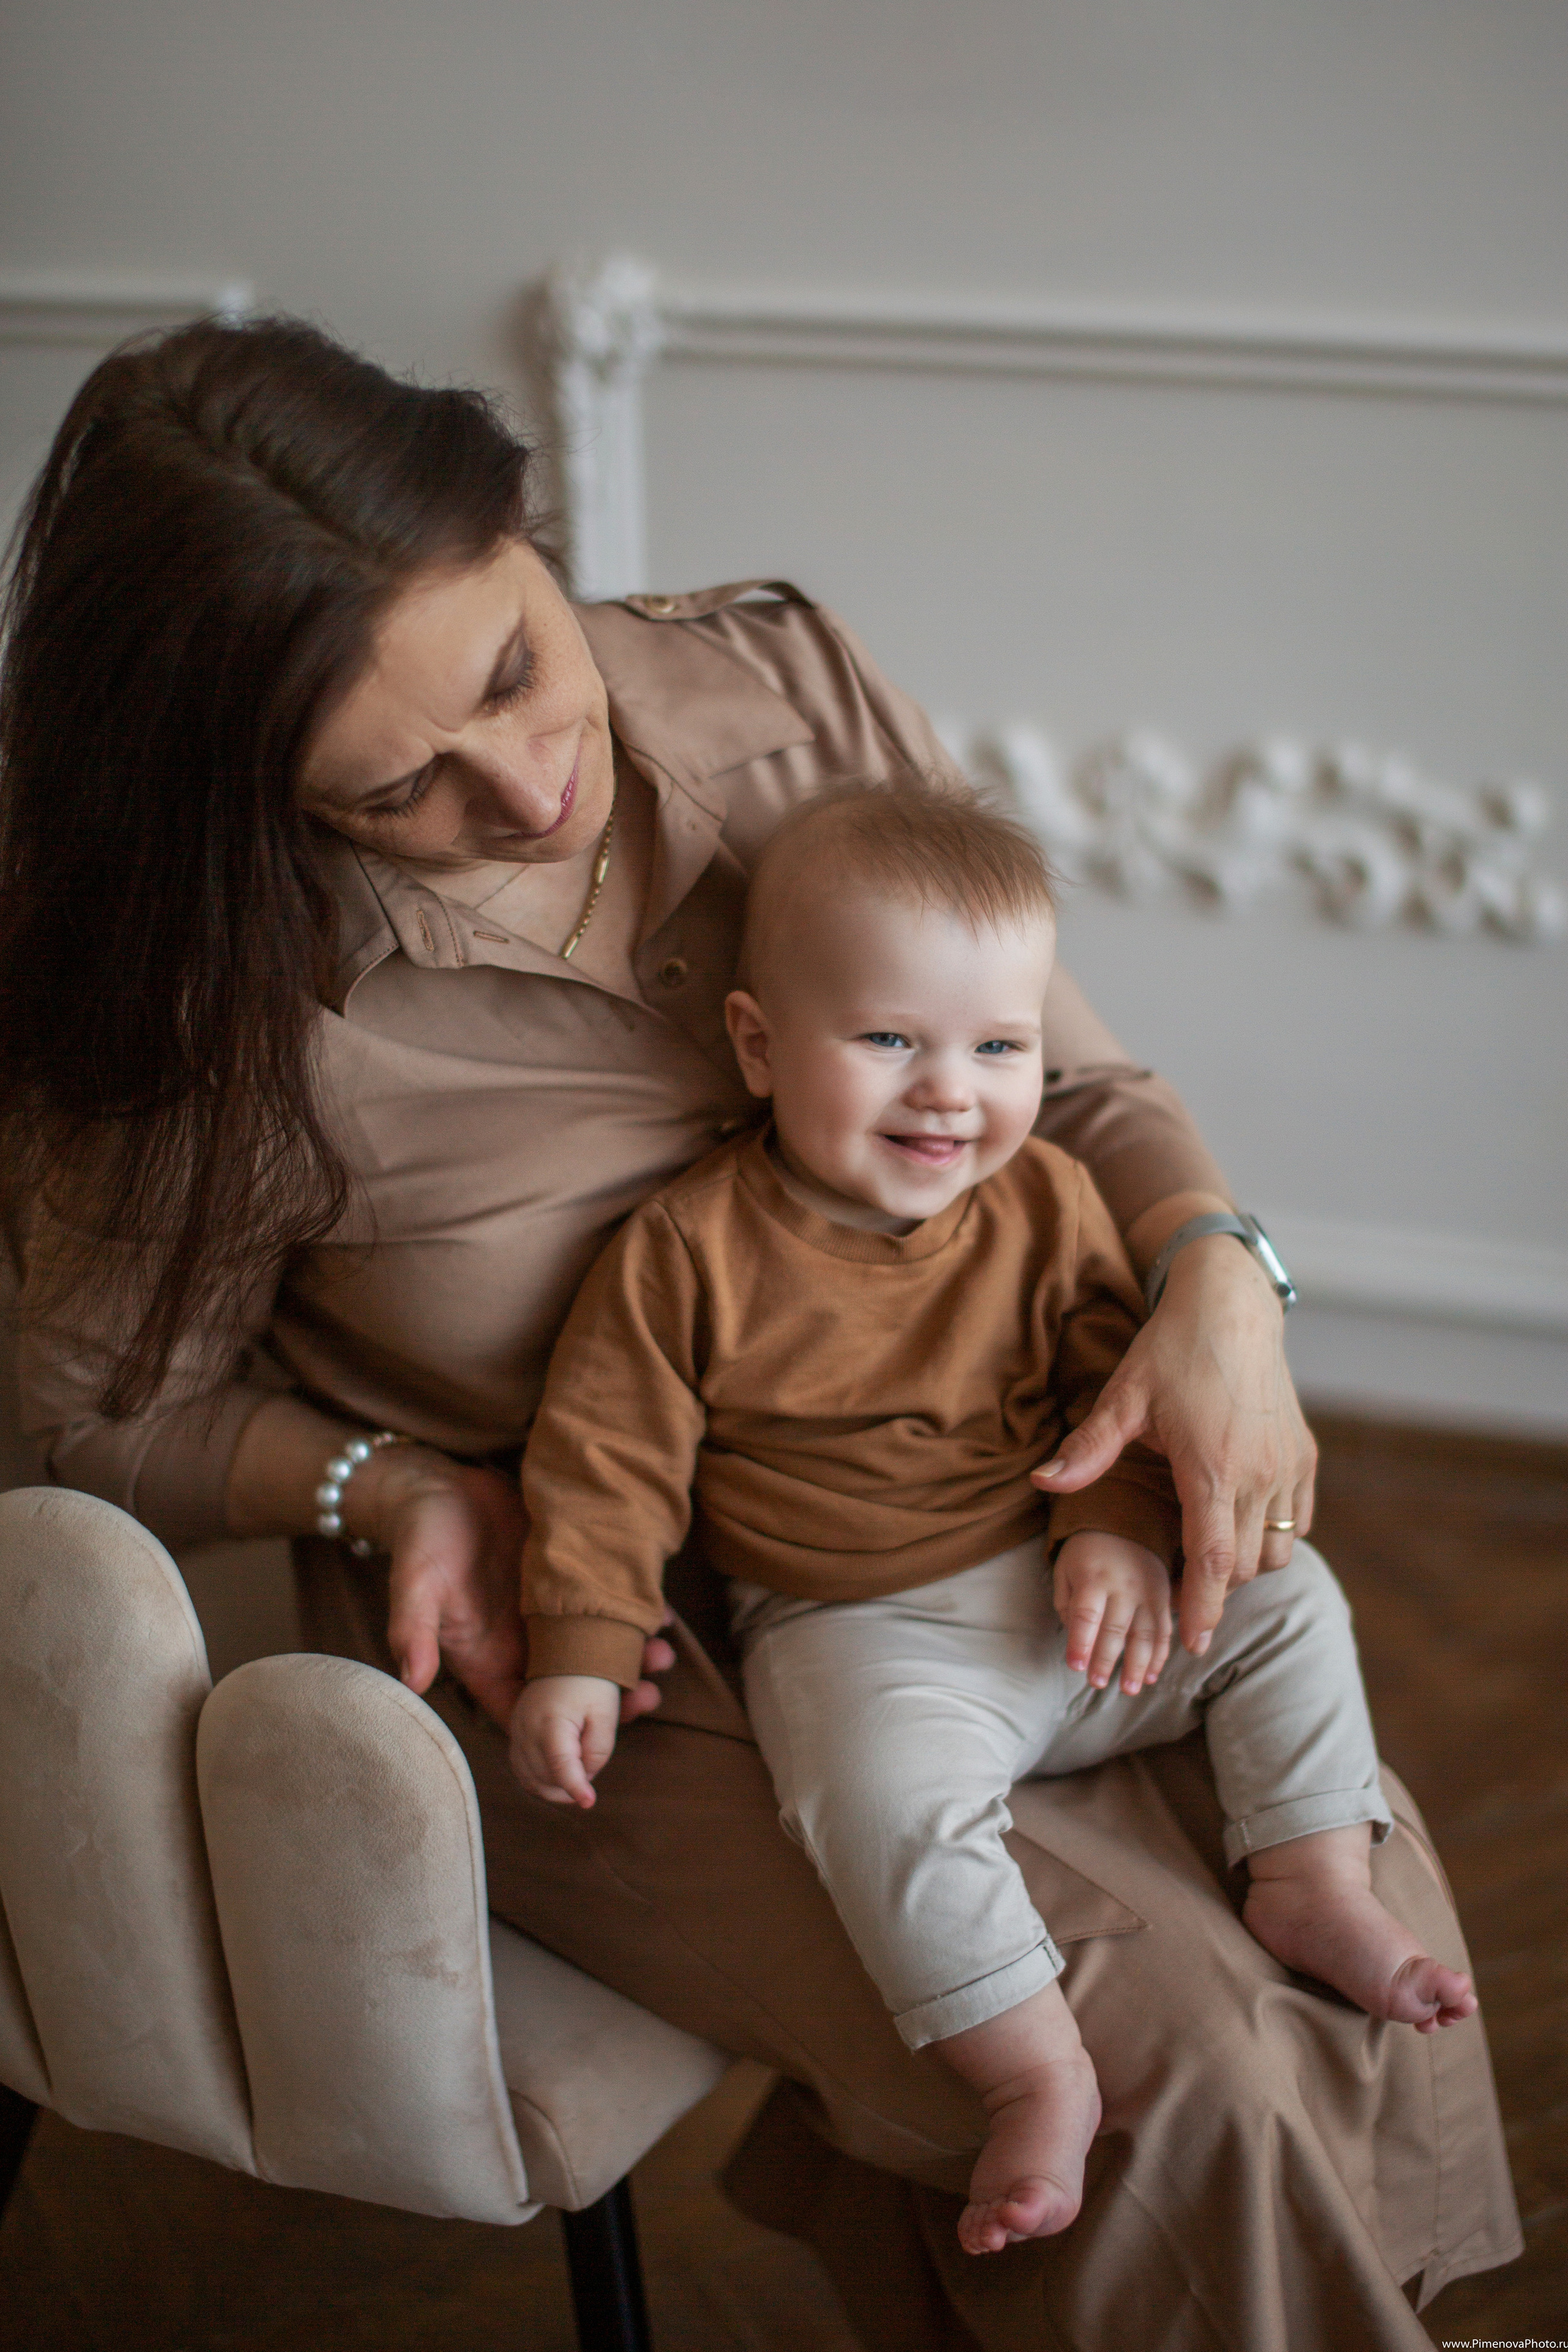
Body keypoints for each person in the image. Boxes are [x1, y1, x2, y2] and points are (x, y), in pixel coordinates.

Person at [0, 314, 1518, 2348]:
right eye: (394, 794)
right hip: (599, 1638)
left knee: (1341, 1892)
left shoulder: (777, 677)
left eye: (519, 669)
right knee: (1178, 2068)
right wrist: (385, 1488)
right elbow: (92, 1413)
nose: (530, 786)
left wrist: (1223, 1277)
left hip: (993, 1491)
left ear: (528, 528)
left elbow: (1059, 1082)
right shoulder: (204, 999)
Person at [510, 774, 1477, 2256]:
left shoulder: (1051, 1205)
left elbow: (1119, 1374)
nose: (949, 1090)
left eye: (998, 1046)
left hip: (1075, 1592)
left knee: (1291, 1598)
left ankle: (1308, 1876)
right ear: (760, 1046)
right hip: (861, 1628)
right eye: (889, 1039)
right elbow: (606, 1457)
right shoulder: (684, 1253)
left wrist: (1114, 1524)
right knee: (873, 1802)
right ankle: (1030, 2068)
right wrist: (582, 1641)